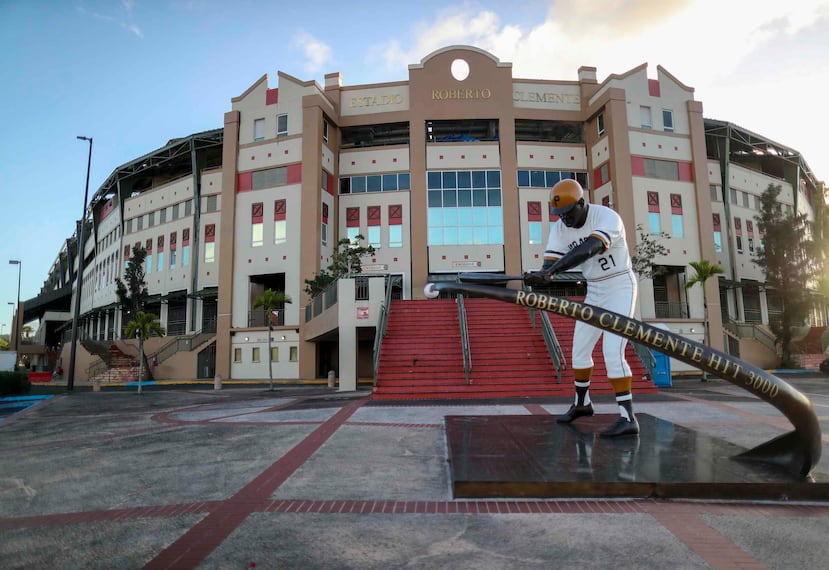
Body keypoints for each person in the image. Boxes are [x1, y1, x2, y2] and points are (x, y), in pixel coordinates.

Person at [525, 178, 639, 437]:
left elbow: (590, 248)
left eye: (568, 213)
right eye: (559, 215)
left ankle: (627, 417)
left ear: (581, 204)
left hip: (620, 285)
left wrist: (552, 271)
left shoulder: (607, 217)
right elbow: (550, 266)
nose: (564, 219)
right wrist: (539, 276)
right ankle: (582, 403)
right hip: (595, 289)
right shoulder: (559, 230)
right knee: (579, 351)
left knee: (612, 351)